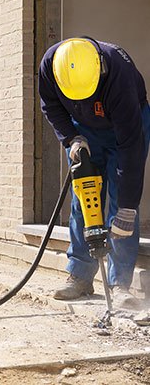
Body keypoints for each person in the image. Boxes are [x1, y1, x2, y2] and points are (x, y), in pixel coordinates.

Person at [38, 37, 150, 309]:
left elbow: (131, 153)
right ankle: (80, 276)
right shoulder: (51, 65)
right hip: (82, 130)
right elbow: (51, 107)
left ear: (100, 69)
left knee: (121, 208)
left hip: (126, 127)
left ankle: (119, 284)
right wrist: (71, 137)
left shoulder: (118, 75)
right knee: (85, 202)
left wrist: (126, 207)